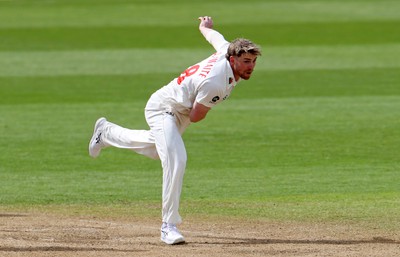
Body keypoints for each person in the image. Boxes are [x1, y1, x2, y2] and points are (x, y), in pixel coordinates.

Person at [88, 16, 261, 245]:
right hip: (164, 108)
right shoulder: (215, 83)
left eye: (253, 61)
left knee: (156, 149)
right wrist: (209, 104)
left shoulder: (225, 52)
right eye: (246, 61)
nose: (250, 66)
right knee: (176, 159)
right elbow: (196, 116)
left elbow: (216, 39)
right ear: (233, 59)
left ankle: (107, 133)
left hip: (177, 109)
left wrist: (204, 27)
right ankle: (168, 226)